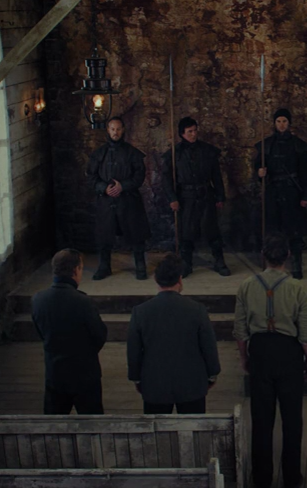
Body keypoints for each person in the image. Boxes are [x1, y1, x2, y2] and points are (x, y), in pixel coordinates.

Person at [234, 232, 307, 488]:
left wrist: (244, 357)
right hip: (288, 352)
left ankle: (262, 478)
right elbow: (306, 333)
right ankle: (291, 477)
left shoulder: (247, 285)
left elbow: (240, 330)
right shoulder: (298, 288)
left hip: (260, 351)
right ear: (288, 256)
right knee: (292, 420)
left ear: (263, 256)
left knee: (261, 419)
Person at [127, 252, 221, 413]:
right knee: (192, 426)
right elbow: (208, 346)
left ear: (155, 279)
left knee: (157, 428)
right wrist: (212, 373)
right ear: (179, 279)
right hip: (191, 384)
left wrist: (136, 377)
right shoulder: (197, 310)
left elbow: (133, 350)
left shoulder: (140, 312)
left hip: (155, 384)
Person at [31, 249, 107, 415]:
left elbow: (41, 332)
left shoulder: (38, 299)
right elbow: (99, 335)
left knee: (54, 423)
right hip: (85, 373)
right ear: (76, 270)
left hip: (55, 373)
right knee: (92, 422)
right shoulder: (84, 302)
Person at [159, 116, 232, 278]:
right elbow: (166, 179)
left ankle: (219, 261)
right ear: (182, 133)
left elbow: (216, 176)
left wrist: (220, 196)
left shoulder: (208, 151)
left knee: (212, 229)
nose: (193, 134)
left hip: (206, 194)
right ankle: (186, 263)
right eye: (189, 131)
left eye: (195, 131)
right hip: (186, 197)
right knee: (186, 231)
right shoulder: (175, 154)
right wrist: (172, 198)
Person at [87, 116, 151, 280]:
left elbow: (139, 176)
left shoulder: (132, 153)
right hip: (106, 200)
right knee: (104, 234)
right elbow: (91, 176)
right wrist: (104, 188)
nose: (115, 132)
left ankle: (140, 265)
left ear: (123, 130)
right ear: (108, 130)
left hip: (128, 200)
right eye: (112, 129)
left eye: (118, 129)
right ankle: (104, 266)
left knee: (136, 233)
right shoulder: (99, 154)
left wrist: (123, 186)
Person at [255, 108, 307, 279]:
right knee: (273, 230)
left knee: (294, 231)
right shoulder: (266, 145)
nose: (281, 125)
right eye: (279, 121)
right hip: (273, 191)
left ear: (289, 123)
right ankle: (272, 263)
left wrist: (306, 195)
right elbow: (258, 168)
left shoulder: (298, 146)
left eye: (284, 121)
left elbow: (305, 173)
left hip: (292, 192)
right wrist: (260, 174)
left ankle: (296, 264)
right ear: (274, 123)